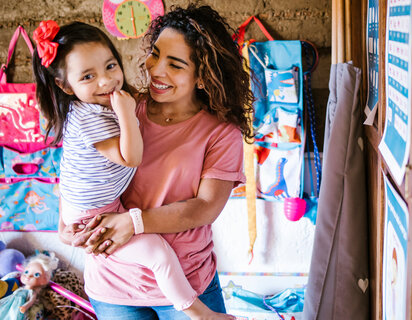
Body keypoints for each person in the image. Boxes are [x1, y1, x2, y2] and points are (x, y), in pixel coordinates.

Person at [32, 19, 239, 319]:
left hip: (187, 280)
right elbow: (77, 164)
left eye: (175, 64)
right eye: (155, 54)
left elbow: (205, 207)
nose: (155, 70)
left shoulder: (220, 132)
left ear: (203, 77)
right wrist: (65, 225)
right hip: (114, 286)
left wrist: (133, 223)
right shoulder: (120, 107)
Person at [0, 253, 59, 319]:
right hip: (10, 301)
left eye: (36, 274)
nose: (28, 276)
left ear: (44, 280)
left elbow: (31, 301)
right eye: (26, 272)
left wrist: (25, 307)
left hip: (19, 307)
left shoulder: (32, 292)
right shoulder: (20, 285)